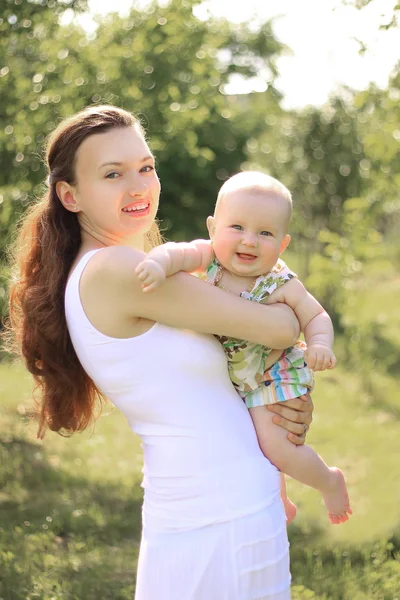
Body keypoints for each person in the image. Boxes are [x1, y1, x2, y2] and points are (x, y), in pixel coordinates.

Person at [8, 105, 315, 600]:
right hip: (217, 514)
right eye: (113, 174)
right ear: (70, 195)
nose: (139, 186)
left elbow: (224, 375)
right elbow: (278, 327)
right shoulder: (116, 271)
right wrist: (289, 305)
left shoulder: (120, 267)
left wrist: (279, 413)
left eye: (146, 167)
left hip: (211, 505)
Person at [135, 171, 352, 526]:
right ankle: (279, 499)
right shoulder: (211, 260)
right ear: (213, 228)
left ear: (282, 244)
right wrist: (159, 264)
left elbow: (316, 315)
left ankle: (329, 481)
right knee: (250, 440)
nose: (249, 241)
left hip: (271, 375)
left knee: (276, 444)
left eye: (265, 233)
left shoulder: (281, 282)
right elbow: (178, 252)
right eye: (237, 227)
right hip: (237, 378)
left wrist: (320, 343)